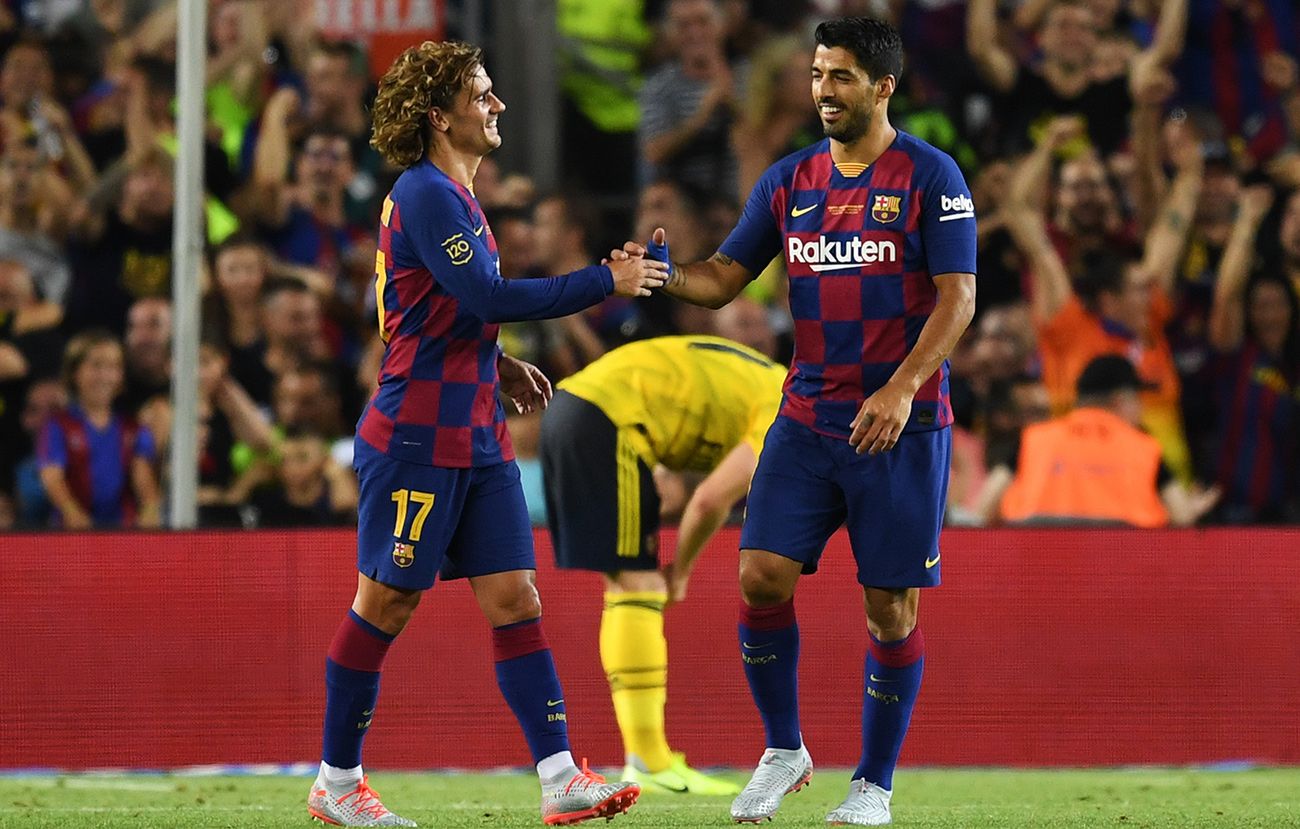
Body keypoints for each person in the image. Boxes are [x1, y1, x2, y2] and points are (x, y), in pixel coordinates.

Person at [616, 17, 976, 826]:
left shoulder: (930, 175)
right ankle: (784, 748)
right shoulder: (789, 180)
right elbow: (724, 279)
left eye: (841, 76)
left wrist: (904, 386)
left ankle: (873, 784)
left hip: (898, 428)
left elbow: (960, 296)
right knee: (758, 575)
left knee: (890, 607)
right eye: (817, 74)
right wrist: (661, 273)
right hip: (809, 417)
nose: (823, 90)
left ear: (883, 85)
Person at [306, 39, 666, 828]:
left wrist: (495, 366)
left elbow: (445, 308)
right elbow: (486, 292)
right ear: (441, 115)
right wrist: (608, 279)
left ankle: (561, 774)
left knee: (515, 596)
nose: (496, 103)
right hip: (417, 433)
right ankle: (336, 781)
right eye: (482, 93)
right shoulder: (426, 191)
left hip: (475, 430)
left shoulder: (457, 195)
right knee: (387, 601)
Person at [541, 334, 785, 797]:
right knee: (641, 585)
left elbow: (680, 426)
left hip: (582, 404)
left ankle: (646, 755)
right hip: (608, 419)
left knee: (630, 586)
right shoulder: (786, 412)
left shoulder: (764, 380)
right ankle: (647, 759)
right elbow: (711, 498)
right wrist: (683, 571)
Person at [999, 355, 1220, 526]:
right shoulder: (1144, 448)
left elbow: (984, 506)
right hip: (1118, 575)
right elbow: (1181, 516)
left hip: (1035, 569)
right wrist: (1192, 509)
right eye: (1138, 400)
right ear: (1120, 401)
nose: (1141, 410)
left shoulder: (1034, 439)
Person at [37, 330, 160, 529]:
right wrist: (72, 512)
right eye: (96, 365)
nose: (105, 375)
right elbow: (52, 477)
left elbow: (143, 479)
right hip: (70, 536)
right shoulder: (58, 426)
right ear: (74, 372)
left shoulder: (134, 429)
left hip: (122, 534)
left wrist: (150, 510)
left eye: (113, 367)